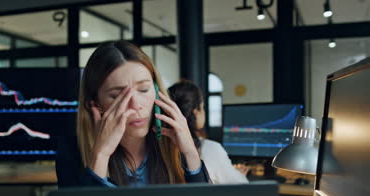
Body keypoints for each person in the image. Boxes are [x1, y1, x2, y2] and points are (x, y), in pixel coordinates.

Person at [67, 41, 208, 187]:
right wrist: (101, 155)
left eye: (144, 90)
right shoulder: (71, 152)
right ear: (95, 104)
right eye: (117, 96)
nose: (136, 105)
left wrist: (191, 153)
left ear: (157, 91)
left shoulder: (174, 142)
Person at [168, 80, 249, 184]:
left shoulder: (160, 147)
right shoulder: (211, 149)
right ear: (195, 112)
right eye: (202, 107)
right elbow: (240, 186)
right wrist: (240, 175)